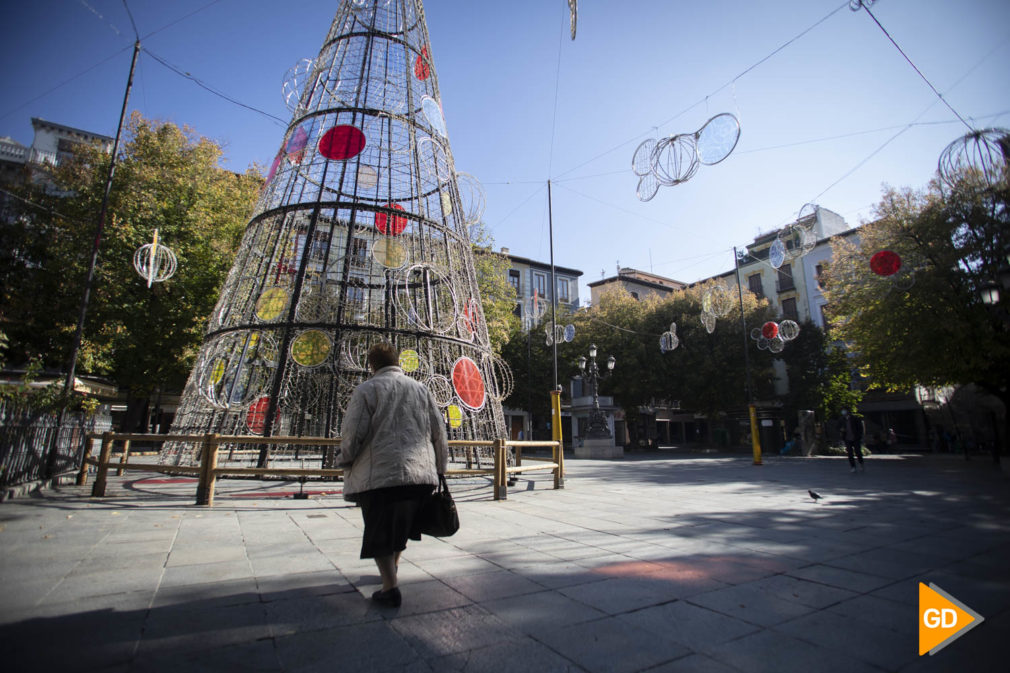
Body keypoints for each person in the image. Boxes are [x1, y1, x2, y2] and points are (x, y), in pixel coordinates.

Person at [339, 342, 448, 608]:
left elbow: (353, 432)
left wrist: (346, 458)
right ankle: (393, 571)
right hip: (419, 474)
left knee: (379, 531)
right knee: (401, 527)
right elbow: (439, 432)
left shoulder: (367, 390)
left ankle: (390, 588)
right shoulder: (421, 389)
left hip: (380, 475)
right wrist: (441, 468)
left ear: (371, 365)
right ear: (398, 361)